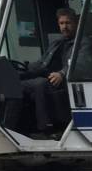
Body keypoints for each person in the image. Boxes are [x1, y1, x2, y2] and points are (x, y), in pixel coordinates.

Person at [20, 7, 84, 136]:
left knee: (40, 84)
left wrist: (62, 73)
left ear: (76, 23)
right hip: (50, 79)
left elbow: (81, 64)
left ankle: (47, 129)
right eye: (61, 23)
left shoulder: (84, 42)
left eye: (68, 23)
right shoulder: (57, 43)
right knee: (16, 84)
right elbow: (41, 63)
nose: (64, 27)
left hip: (68, 83)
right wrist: (23, 69)